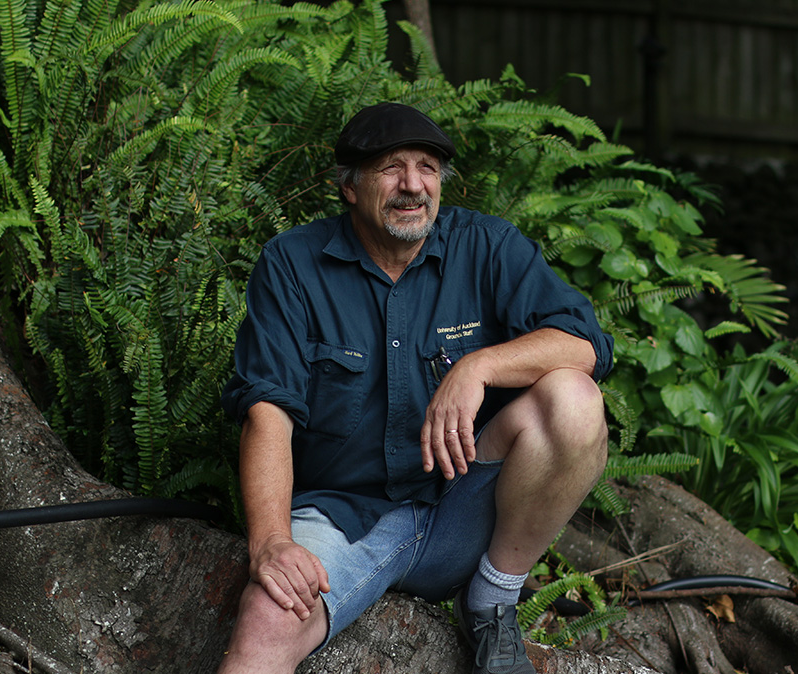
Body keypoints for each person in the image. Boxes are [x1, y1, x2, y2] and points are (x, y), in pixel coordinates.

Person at [216, 102, 613, 674]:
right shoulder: (292, 266)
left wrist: (476, 367)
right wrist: (272, 541)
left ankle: (493, 602)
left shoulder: (488, 247)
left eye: (426, 167)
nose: (412, 185)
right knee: (268, 615)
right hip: (344, 519)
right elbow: (267, 410)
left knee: (574, 399)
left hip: (467, 509)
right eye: (390, 168)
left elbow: (587, 343)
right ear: (350, 188)